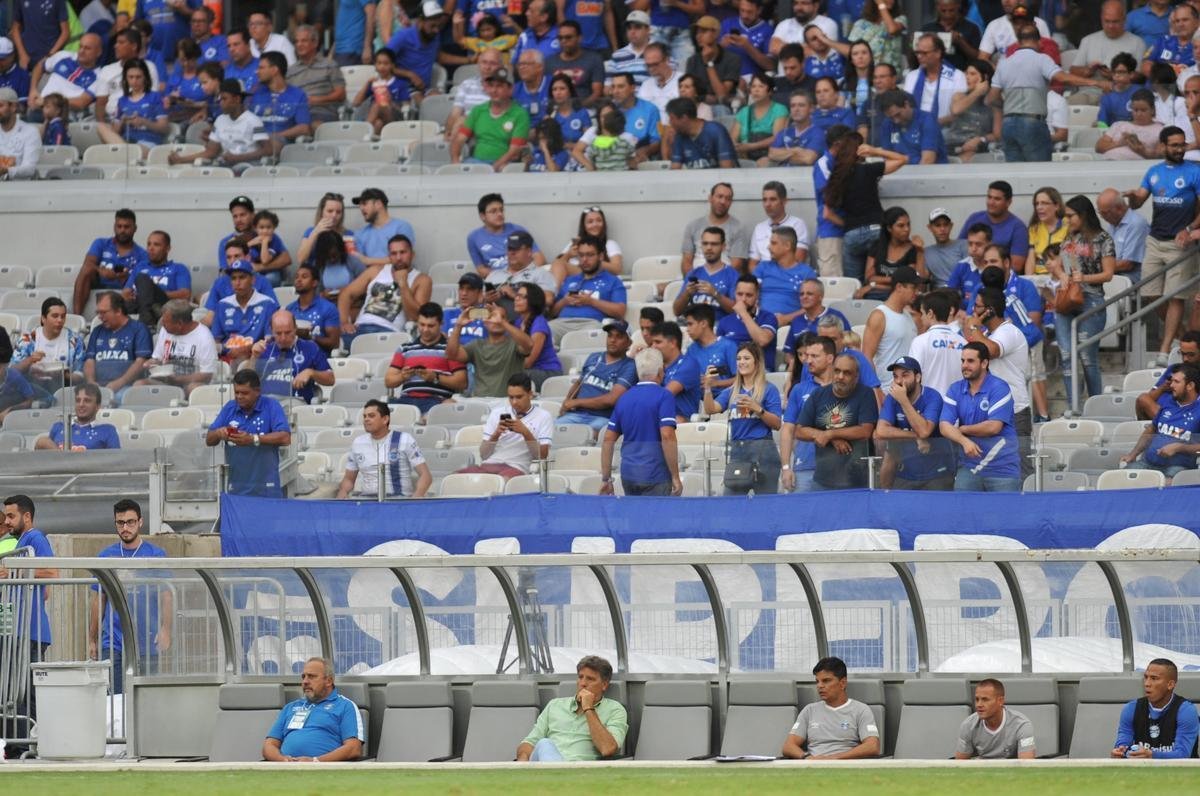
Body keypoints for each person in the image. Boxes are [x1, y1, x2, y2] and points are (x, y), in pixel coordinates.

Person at [1126, 127, 1200, 366]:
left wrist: (1189, 230)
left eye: (1182, 145)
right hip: (1155, 240)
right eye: (1174, 145)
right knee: (1150, 294)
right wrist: (1132, 198)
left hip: (1181, 244)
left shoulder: (1194, 171)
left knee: (1176, 296)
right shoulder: (1153, 171)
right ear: (1163, 146)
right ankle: (1179, 337)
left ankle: (1164, 350)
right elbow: (1138, 202)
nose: (1179, 149)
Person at [988, 24, 1107, 163]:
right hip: (1032, 122)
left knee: (1015, 175)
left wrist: (1009, 109)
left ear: (1018, 42)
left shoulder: (1003, 64)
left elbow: (991, 99)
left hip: (1008, 124)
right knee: (1039, 173)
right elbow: (1063, 78)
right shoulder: (1042, 59)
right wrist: (1096, 83)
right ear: (1039, 42)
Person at [87, 499, 171, 694]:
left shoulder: (156, 555)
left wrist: (166, 629)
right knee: (114, 699)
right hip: (113, 641)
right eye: (120, 523)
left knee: (146, 697)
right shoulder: (106, 556)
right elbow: (99, 599)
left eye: (130, 522)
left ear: (140, 522)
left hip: (147, 640)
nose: (125, 527)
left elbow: (167, 595)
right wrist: (92, 638)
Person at [1047, 195, 1116, 405]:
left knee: (1088, 359)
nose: (1067, 220)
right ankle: (1073, 406)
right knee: (1067, 355)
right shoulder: (1069, 238)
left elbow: (1108, 274)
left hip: (1092, 299)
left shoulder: (1103, 238)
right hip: (1068, 299)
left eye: (1071, 216)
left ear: (1083, 214)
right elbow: (1059, 265)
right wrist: (1060, 274)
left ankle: (1096, 405)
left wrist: (1084, 277)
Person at [0, 494, 56, 749]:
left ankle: (24, 745)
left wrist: (13, 571)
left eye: (11, 516)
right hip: (17, 630)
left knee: (26, 692)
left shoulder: (35, 538)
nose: (7, 521)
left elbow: (51, 573)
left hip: (30, 632)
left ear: (27, 516)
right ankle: (16, 744)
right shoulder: (19, 541)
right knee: (16, 691)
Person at [821, 129, 908, 282]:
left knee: (854, 284)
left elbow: (827, 214)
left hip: (851, 234)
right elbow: (902, 159)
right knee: (880, 278)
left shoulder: (836, 176)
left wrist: (849, 224)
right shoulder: (868, 170)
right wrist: (874, 151)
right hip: (875, 230)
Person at [599, 348, 682, 496]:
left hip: (629, 475)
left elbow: (607, 439)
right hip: (656, 474)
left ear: (638, 372)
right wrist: (675, 476)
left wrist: (606, 479)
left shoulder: (624, 398)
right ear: (661, 370)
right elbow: (667, 435)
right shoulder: (664, 396)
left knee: (634, 519)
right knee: (656, 519)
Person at [702, 342, 782, 495]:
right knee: (731, 503)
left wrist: (758, 409)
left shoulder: (769, 389)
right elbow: (711, 409)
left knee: (764, 505)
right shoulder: (732, 390)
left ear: (757, 363)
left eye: (746, 358)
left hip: (763, 453)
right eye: (738, 359)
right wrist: (707, 387)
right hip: (738, 452)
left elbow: (777, 424)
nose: (741, 362)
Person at [939, 342, 1021, 492]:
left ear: (984, 363)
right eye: (963, 361)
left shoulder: (999, 387)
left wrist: (962, 429)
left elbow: (993, 427)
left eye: (970, 361)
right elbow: (944, 426)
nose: (964, 365)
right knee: (964, 514)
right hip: (969, 467)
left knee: (1005, 515)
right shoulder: (955, 388)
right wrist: (964, 441)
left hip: (1002, 468)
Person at [517, 655, 627, 761]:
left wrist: (588, 708)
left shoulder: (615, 710)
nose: (583, 683)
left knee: (545, 744)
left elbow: (608, 749)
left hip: (580, 770)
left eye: (590, 679)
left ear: (604, 685)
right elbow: (529, 743)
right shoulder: (554, 705)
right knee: (544, 744)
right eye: (580, 677)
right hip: (544, 764)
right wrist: (522, 762)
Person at [795, 352, 878, 490]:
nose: (840, 377)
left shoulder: (866, 394)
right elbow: (799, 430)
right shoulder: (818, 395)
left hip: (857, 480)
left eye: (847, 373)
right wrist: (831, 437)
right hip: (823, 479)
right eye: (837, 371)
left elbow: (865, 431)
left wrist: (830, 434)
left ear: (856, 376)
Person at [205, 369, 291, 498]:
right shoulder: (230, 407)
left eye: (244, 393)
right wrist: (218, 433)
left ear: (257, 391)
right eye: (236, 392)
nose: (239, 396)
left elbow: (285, 437)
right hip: (236, 488)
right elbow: (209, 440)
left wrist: (253, 439)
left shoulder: (271, 406)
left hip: (267, 487)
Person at [263, 657, 364, 763]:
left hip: (323, 770)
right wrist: (283, 760)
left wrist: (315, 761)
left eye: (311, 677)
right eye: (303, 677)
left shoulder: (345, 706)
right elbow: (269, 745)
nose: (305, 681)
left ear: (328, 681)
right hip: (284, 768)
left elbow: (353, 748)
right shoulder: (290, 707)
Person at [337, 233, 431, 346]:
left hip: (390, 333)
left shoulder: (421, 279)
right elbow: (346, 294)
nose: (399, 258)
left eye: (403, 252)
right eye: (394, 253)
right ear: (389, 257)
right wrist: (344, 322)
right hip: (360, 328)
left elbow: (415, 316)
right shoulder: (376, 271)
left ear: (412, 254)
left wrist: (403, 284)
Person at [875, 356, 954, 490]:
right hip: (907, 473)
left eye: (905, 375)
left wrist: (903, 401)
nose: (899, 381)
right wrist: (915, 436)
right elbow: (881, 431)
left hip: (937, 472)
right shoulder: (892, 398)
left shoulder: (932, 396)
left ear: (918, 377)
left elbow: (924, 431)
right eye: (895, 376)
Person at [781, 656, 881, 759]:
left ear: (842, 683)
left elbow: (872, 746)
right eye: (817, 681)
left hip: (845, 766)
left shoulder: (861, 710)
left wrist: (833, 758)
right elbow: (788, 746)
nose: (820, 686)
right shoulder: (809, 710)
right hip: (813, 766)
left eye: (826, 681)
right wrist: (807, 757)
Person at [459, 373, 554, 479]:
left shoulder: (544, 416)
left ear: (530, 395)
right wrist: (496, 434)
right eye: (511, 397)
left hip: (517, 467)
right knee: (457, 477)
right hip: (491, 464)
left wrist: (525, 432)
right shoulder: (496, 413)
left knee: (500, 481)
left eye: (519, 397)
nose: (514, 402)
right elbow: (483, 455)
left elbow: (542, 456)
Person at [335, 400, 432, 499]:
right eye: (364, 416)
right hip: (366, 501)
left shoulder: (404, 439)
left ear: (385, 419)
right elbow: (349, 479)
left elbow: (425, 475)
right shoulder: (358, 443)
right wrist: (343, 491)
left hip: (399, 500)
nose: (366, 419)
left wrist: (417, 495)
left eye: (371, 416)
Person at [1120, 364, 1200, 482]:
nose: (1171, 385)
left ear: (1190, 386)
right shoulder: (1168, 402)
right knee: (1121, 480)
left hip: (1178, 469)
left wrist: (1180, 448)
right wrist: (1132, 454)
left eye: (1176, 382)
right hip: (1147, 463)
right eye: (1171, 381)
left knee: (1166, 490)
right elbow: (1151, 429)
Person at [385, 302, 468, 415]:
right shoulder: (405, 348)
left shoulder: (450, 350)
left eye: (430, 326)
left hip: (436, 401)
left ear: (441, 324)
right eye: (422, 325)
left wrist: (435, 378)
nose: (425, 330)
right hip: (405, 401)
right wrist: (403, 376)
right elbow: (389, 381)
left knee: (449, 405)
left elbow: (462, 382)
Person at [1112, 657, 1199, 759]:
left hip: (1180, 773)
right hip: (1140, 772)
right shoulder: (1131, 709)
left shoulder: (1186, 711)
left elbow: (1183, 754)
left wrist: (1152, 755)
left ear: (1170, 684)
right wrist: (1119, 752)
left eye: (1154, 678)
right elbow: (1123, 745)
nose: (1147, 683)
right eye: (1146, 677)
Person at [558, 319, 636, 432]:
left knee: (589, 434)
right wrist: (566, 402)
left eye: (619, 336)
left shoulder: (630, 366)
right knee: (552, 430)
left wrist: (577, 402)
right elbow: (580, 383)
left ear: (629, 342)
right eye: (610, 336)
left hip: (603, 418)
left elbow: (611, 399)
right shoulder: (594, 357)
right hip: (576, 415)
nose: (613, 340)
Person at [779, 334, 832, 492]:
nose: (808, 361)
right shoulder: (799, 389)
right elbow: (787, 429)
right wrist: (786, 467)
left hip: (836, 468)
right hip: (804, 466)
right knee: (801, 516)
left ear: (830, 358)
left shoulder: (842, 389)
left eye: (814, 356)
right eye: (807, 356)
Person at [451, 66, 531, 171]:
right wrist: (455, 160)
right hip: (476, 162)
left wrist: (494, 167)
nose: (494, 90)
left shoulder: (520, 114)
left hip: (504, 166)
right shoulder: (478, 110)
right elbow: (460, 139)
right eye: (491, 85)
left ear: (510, 89)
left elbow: (515, 150)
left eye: (499, 86)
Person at [446, 303, 534, 398]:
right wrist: (458, 325)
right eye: (492, 316)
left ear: (507, 321)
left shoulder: (515, 344)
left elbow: (529, 344)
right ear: (485, 322)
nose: (497, 320)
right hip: (480, 402)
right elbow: (452, 355)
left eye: (502, 317)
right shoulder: (476, 345)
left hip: (507, 402)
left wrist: (503, 322)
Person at [73, 208, 149, 317]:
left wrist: (125, 278)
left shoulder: (142, 254)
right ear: (114, 226)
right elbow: (88, 263)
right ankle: (77, 318)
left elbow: (141, 280)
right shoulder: (101, 243)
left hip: (124, 291)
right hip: (99, 283)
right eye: (119, 226)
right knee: (87, 270)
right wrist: (101, 271)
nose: (122, 230)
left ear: (135, 228)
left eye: (127, 227)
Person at [551, 235, 628, 339]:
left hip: (590, 324)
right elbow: (552, 312)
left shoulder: (613, 281)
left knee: (592, 335)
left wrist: (591, 301)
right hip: (561, 323)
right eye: (581, 255)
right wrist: (564, 301)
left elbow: (620, 312)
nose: (584, 259)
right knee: (544, 330)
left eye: (590, 255)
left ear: (600, 256)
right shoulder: (570, 280)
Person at [250, 310, 334, 405]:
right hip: (266, 403)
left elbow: (331, 379)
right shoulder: (264, 348)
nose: (283, 338)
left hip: (295, 402)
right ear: (271, 331)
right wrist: (254, 357)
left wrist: (311, 373)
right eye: (278, 333)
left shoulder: (310, 348)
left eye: (287, 332)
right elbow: (248, 382)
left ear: (295, 328)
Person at [84, 292, 153, 405]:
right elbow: (89, 360)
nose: (100, 317)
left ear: (118, 311)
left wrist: (120, 382)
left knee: (117, 399)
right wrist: (91, 382)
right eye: (98, 312)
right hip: (99, 387)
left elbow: (141, 361)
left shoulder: (138, 329)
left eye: (104, 312)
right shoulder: (97, 331)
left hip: (127, 387)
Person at [139, 299, 217, 397]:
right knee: (139, 385)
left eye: (166, 322)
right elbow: (157, 358)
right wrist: (150, 363)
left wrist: (178, 379)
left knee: (193, 388)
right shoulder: (165, 330)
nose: (162, 325)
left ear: (180, 323)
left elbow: (207, 375)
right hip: (167, 383)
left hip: (190, 384)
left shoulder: (204, 337)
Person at [13, 297, 86, 399]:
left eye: (63, 316)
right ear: (43, 318)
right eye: (55, 316)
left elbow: (81, 376)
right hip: (32, 390)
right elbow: (12, 372)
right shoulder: (27, 340)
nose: (60, 320)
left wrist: (64, 376)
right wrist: (29, 360)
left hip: (64, 391)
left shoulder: (75, 341)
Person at [211, 259, 279, 364]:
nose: (237, 283)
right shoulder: (222, 305)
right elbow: (216, 341)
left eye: (242, 277)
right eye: (233, 278)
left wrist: (248, 349)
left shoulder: (267, 304)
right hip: (226, 359)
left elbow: (270, 341)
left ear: (253, 280)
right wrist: (224, 351)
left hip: (256, 358)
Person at [861, 265, 919, 390]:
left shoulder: (910, 316)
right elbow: (866, 356)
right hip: (886, 390)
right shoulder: (879, 316)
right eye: (913, 288)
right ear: (899, 287)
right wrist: (877, 390)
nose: (917, 292)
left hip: (908, 390)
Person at [121, 230, 192, 329]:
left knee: (142, 278)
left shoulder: (178, 268)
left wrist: (150, 294)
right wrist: (141, 296)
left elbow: (185, 294)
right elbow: (126, 293)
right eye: (149, 244)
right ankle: (148, 315)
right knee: (112, 302)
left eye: (156, 245)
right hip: (141, 305)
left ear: (167, 248)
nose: (151, 248)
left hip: (163, 303)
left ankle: (147, 322)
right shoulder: (140, 267)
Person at [958, 180, 1030, 275]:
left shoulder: (1018, 227)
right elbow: (958, 250)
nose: (991, 202)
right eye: (989, 197)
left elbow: (1016, 265)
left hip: (999, 280)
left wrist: (983, 265)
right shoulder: (974, 218)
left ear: (1008, 202)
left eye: (997, 199)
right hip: (969, 274)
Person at [954, 679, 1037, 759]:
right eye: (977, 699)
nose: (979, 705)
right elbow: (960, 764)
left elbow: (1026, 764)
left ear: (1000, 701)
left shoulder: (1022, 725)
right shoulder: (968, 725)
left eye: (985, 699)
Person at [679, 183, 750, 276]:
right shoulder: (693, 226)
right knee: (661, 288)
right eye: (719, 196)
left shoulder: (739, 228)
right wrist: (693, 282)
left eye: (728, 199)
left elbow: (736, 265)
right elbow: (686, 262)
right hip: (693, 280)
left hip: (723, 281)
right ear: (710, 198)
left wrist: (713, 283)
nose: (723, 201)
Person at [468, 194, 546, 276]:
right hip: (498, 282)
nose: (499, 214)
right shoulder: (473, 238)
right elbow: (481, 269)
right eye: (493, 211)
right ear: (482, 216)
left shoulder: (518, 230)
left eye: (501, 210)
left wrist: (523, 275)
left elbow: (539, 258)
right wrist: (503, 278)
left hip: (525, 276)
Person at [674, 226, 740, 323]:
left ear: (723, 246)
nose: (709, 248)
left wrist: (715, 294)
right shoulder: (693, 273)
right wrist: (686, 294)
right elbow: (676, 311)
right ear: (701, 246)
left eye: (714, 244)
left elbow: (738, 311)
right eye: (705, 243)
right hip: (695, 328)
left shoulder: (733, 275)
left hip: (721, 327)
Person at [247, 51, 311, 149]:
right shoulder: (256, 93)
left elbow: (304, 128)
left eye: (261, 68)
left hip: (281, 144)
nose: (257, 71)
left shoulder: (297, 94)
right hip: (254, 141)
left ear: (274, 70)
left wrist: (276, 135)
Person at [907, 290, 965, 396]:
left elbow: (912, 376)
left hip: (929, 405)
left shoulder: (920, 341)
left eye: (922, 313)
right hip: (956, 405)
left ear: (930, 314)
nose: (921, 317)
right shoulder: (963, 342)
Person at [27, 32, 102, 114]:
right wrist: (33, 90)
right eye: (80, 46)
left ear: (98, 52)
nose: (81, 51)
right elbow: (39, 66)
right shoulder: (63, 56)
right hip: (40, 108)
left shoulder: (99, 77)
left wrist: (48, 102)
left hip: (66, 114)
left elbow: (82, 102)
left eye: (87, 48)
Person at [781, 279, 849, 369]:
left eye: (809, 294)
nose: (804, 297)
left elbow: (849, 345)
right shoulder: (796, 320)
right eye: (801, 294)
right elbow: (789, 354)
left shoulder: (836, 316)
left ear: (820, 296)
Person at [942, 59, 1000, 163]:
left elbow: (997, 134)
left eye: (972, 74)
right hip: (953, 144)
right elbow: (956, 110)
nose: (967, 77)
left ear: (985, 77)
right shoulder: (959, 96)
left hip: (976, 146)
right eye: (966, 73)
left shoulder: (993, 102)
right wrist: (977, 92)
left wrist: (981, 139)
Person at [717, 274, 778, 371]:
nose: (743, 299)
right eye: (740, 294)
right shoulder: (724, 322)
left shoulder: (768, 317)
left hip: (760, 373)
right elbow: (719, 355)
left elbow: (762, 340)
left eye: (749, 295)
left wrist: (743, 313)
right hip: (732, 373)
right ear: (734, 293)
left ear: (757, 295)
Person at [33, 383, 118, 451]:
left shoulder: (107, 430)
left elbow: (116, 461)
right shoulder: (59, 427)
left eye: (87, 401)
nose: (81, 404)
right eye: (78, 400)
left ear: (97, 406)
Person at [1136, 332, 1200, 420]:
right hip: (1162, 414)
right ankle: (1167, 425)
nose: (1185, 359)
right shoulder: (1173, 369)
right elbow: (1150, 397)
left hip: (1188, 418)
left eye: (1191, 355)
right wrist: (1163, 388)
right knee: (1142, 399)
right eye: (1183, 354)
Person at [876, 89, 947, 165]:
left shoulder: (927, 121)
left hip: (930, 173)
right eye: (891, 117)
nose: (896, 121)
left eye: (898, 114)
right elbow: (887, 157)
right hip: (899, 172)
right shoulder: (887, 124)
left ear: (906, 104)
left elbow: (927, 161)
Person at [649, 321, 702, 423]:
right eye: (652, 343)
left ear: (673, 342)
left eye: (658, 342)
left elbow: (666, 394)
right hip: (658, 418)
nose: (653, 347)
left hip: (682, 422)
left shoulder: (689, 364)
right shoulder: (655, 365)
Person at [553, 206, 624, 281]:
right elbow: (556, 264)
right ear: (584, 226)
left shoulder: (609, 244)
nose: (595, 224)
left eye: (599, 221)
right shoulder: (575, 242)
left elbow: (617, 269)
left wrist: (594, 261)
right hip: (571, 283)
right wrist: (569, 254)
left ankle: (554, 292)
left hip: (596, 279)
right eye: (590, 222)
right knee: (557, 265)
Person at [351, 187, 416, 268]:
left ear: (378, 204)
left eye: (364, 203)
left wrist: (368, 261)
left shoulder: (401, 227)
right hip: (371, 279)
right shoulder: (360, 234)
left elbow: (404, 258)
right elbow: (360, 262)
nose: (361, 208)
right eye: (360, 205)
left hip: (398, 276)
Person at [1098, 187, 1150, 286]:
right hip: (1115, 273)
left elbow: (1127, 264)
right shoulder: (1114, 222)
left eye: (1104, 213)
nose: (1102, 216)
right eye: (1100, 212)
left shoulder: (1136, 224)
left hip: (1130, 278)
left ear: (1119, 209)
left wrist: (1097, 267)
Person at [666, 96, 736, 169]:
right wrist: (671, 144)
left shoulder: (716, 131)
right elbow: (675, 169)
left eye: (672, 118)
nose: (670, 122)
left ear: (684, 118)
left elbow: (727, 168)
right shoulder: (679, 136)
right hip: (694, 179)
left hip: (718, 179)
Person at [731, 73, 786, 163]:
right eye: (753, 86)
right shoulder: (744, 112)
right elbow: (732, 139)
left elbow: (777, 138)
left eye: (761, 86)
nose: (756, 90)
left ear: (770, 91)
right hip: (745, 156)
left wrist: (752, 146)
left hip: (770, 155)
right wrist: (739, 147)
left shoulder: (779, 109)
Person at [547, 20, 603, 107]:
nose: (564, 41)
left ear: (580, 38)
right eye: (560, 38)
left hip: (587, 109)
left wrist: (578, 110)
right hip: (557, 110)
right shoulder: (550, 62)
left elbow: (597, 93)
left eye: (568, 37)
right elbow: (546, 93)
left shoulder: (594, 59)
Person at [515, 284, 562, 389]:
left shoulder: (539, 323)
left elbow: (529, 362)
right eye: (517, 295)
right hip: (528, 371)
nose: (516, 299)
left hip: (547, 372)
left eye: (522, 297)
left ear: (533, 300)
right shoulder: (518, 322)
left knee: (509, 377)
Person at [286, 265, 340, 354]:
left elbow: (334, 343)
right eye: (296, 277)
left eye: (304, 277)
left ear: (314, 283)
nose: (298, 280)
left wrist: (311, 337)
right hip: (293, 356)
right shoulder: (289, 309)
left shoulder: (328, 308)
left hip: (318, 357)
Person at [683, 303, 739, 390]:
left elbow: (742, 379)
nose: (687, 329)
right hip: (698, 399)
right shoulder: (691, 349)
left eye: (690, 324)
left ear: (703, 323)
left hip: (725, 399)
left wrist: (717, 383)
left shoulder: (728, 346)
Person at [1098, 89, 1163, 161]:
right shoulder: (1119, 125)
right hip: (1107, 162)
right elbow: (1099, 147)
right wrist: (1119, 143)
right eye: (1135, 110)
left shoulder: (1161, 129)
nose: (1139, 114)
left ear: (1152, 110)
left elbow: (1160, 156)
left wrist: (1141, 150)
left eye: (1143, 110)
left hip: (1134, 168)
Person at [765, 90, 822, 168]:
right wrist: (796, 150)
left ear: (811, 108)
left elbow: (808, 159)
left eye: (801, 105)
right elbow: (772, 154)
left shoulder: (818, 133)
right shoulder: (784, 132)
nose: (796, 109)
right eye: (793, 105)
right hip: (782, 176)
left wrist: (783, 155)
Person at [920, 0, 982, 72]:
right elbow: (917, 57)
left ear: (958, 5)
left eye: (951, 10)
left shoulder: (971, 28)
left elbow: (978, 57)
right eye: (943, 11)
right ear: (937, 7)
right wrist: (913, 44)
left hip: (962, 76)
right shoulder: (927, 29)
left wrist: (961, 42)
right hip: (932, 75)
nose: (947, 14)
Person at [1026, 186, 1067, 276]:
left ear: (1056, 206)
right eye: (1037, 204)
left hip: (1061, 276)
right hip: (1039, 276)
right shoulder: (1034, 228)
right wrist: (1029, 280)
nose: (1039, 207)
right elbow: (1031, 258)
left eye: (1044, 203)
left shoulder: (1068, 226)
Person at [0, 86, 38, 181]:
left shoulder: (30, 132)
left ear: (13, 107)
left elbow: (30, 169)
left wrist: (7, 171)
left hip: (21, 189)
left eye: (0, 106)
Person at [924, 209, 969, 289]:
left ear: (951, 226)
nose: (942, 229)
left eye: (945, 225)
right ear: (930, 228)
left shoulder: (963, 245)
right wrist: (919, 252)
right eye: (938, 225)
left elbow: (969, 275)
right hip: (938, 296)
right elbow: (923, 280)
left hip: (960, 292)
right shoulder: (926, 252)